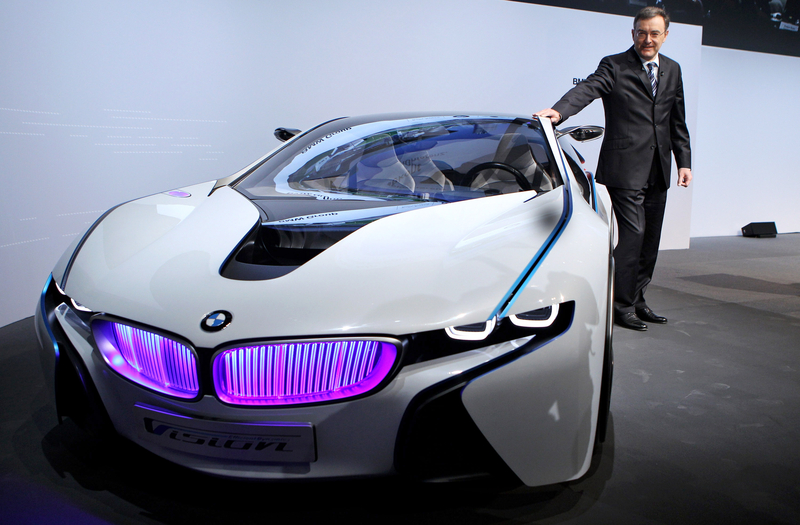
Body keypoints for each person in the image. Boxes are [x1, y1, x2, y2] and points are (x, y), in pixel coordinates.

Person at [535, 6, 692, 331]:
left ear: (665, 35)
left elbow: (677, 121)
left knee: (650, 241)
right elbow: (587, 89)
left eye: (654, 33)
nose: (647, 39)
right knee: (633, 236)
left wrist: (684, 162)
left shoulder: (673, 69)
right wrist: (559, 112)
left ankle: (638, 299)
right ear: (633, 33)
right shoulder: (615, 65)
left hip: (658, 168)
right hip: (625, 167)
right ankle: (620, 306)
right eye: (641, 33)